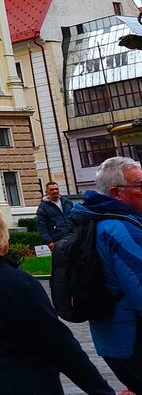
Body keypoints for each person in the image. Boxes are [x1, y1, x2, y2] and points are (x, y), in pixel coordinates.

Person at [0, 202, 113, 395]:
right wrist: (100, 389)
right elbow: (58, 344)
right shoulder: (19, 284)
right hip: (20, 381)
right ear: (1, 233)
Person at [72, 156, 142, 390]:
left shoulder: (94, 220)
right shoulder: (122, 229)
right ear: (117, 192)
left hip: (111, 338)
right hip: (133, 339)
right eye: (139, 185)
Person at [37, 181, 74, 248]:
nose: (55, 191)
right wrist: (49, 241)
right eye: (52, 190)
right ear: (47, 192)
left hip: (73, 237)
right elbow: (42, 226)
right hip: (58, 240)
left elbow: (74, 218)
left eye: (56, 189)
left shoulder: (67, 202)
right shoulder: (43, 208)